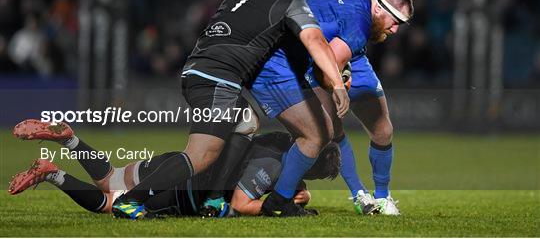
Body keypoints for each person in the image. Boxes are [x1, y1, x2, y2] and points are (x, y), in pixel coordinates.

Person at [110, 0, 349, 219]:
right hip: (217, 79)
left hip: (199, 69)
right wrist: (337, 83)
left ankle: (214, 200)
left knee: (246, 121)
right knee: (199, 157)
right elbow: (314, 39)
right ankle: (130, 201)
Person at [9, 120, 340, 218]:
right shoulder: (274, 164)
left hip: (186, 160)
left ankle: (70, 141)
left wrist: (300, 196)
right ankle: (52, 173)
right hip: (190, 190)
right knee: (113, 202)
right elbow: (241, 203)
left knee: (112, 178)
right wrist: (279, 206)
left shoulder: (279, 141)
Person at [304, 0, 413, 215]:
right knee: (333, 130)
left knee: (383, 130)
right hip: (313, 63)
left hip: (355, 60)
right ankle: (360, 195)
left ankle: (382, 196)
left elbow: (377, 17)